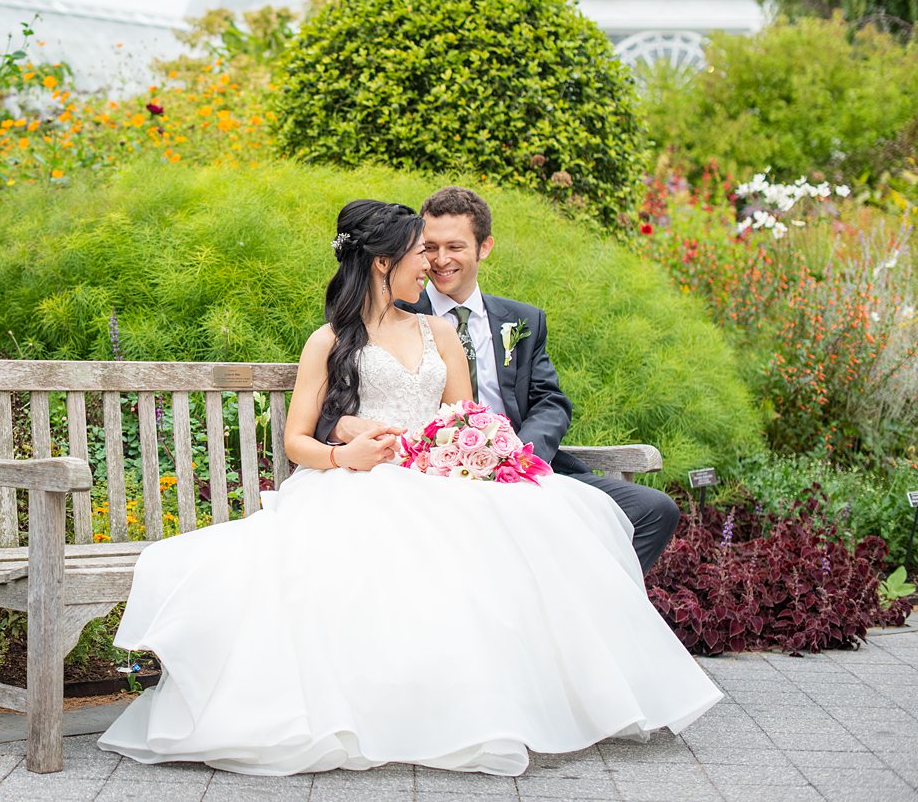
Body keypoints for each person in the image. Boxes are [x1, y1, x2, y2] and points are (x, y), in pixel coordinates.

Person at [97, 198, 721, 776]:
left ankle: (546, 690)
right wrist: (346, 455)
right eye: (420, 253)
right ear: (382, 264)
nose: (430, 264)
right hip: (361, 480)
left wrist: (460, 452)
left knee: (538, 526)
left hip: (437, 477)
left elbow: (464, 418)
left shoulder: (438, 334)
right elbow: (296, 442)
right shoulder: (330, 341)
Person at [318, 185, 680, 573]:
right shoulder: (392, 309)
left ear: (484, 247)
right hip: (440, 479)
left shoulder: (521, 319)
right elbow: (340, 393)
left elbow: (550, 402)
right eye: (430, 247)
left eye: (454, 247)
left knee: (654, 510)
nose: (439, 261)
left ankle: (575, 611)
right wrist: (341, 426)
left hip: (525, 466)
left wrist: (515, 456)